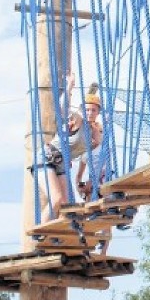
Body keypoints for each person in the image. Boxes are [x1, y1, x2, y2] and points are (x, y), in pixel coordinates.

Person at [33, 75, 102, 222]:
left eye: (94, 110)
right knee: (56, 198)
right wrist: (69, 86)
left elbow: (97, 144)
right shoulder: (78, 120)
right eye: (88, 110)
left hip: (61, 163)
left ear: (98, 113)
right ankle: (39, 234)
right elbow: (63, 109)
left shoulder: (94, 131)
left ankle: (56, 234)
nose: (90, 113)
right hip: (48, 157)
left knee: (66, 206)